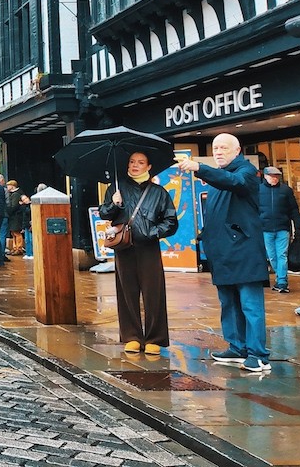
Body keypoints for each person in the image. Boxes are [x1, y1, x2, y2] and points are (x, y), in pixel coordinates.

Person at [178, 134, 271, 372]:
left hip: (244, 251)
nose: (218, 151)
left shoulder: (246, 172)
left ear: (237, 150)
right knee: (228, 303)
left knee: (250, 306)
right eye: (215, 148)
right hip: (223, 253)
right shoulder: (221, 178)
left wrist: (200, 167)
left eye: (223, 148)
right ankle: (237, 347)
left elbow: (235, 183)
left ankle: (258, 355)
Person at [99, 152, 178, 355]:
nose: (135, 165)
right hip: (124, 247)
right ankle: (132, 336)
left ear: (148, 166)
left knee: (154, 292)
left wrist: (151, 233)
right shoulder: (117, 189)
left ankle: (155, 337)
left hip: (148, 247)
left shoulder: (159, 192)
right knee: (127, 291)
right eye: (132, 162)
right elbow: (104, 214)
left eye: (140, 162)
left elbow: (171, 221)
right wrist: (113, 203)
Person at [259, 166, 300, 293]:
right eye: (272, 176)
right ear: (265, 176)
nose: (274, 179)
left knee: (282, 255)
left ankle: (282, 281)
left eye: (276, 176)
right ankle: (280, 277)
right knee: (272, 256)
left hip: (283, 228)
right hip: (265, 229)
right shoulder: (258, 190)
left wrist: (298, 225)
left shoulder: (286, 191)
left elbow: (293, 209)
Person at [4, 180, 25, 256]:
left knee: (16, 232)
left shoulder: (16, 194)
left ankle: (19, 248)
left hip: (16, 216)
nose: (7, 187)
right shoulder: (13, 194)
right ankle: (15, 247)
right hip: (13, 216)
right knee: (13, 233)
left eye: (8, 186)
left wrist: (8, 211)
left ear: (12, 186)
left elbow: (14, 206)